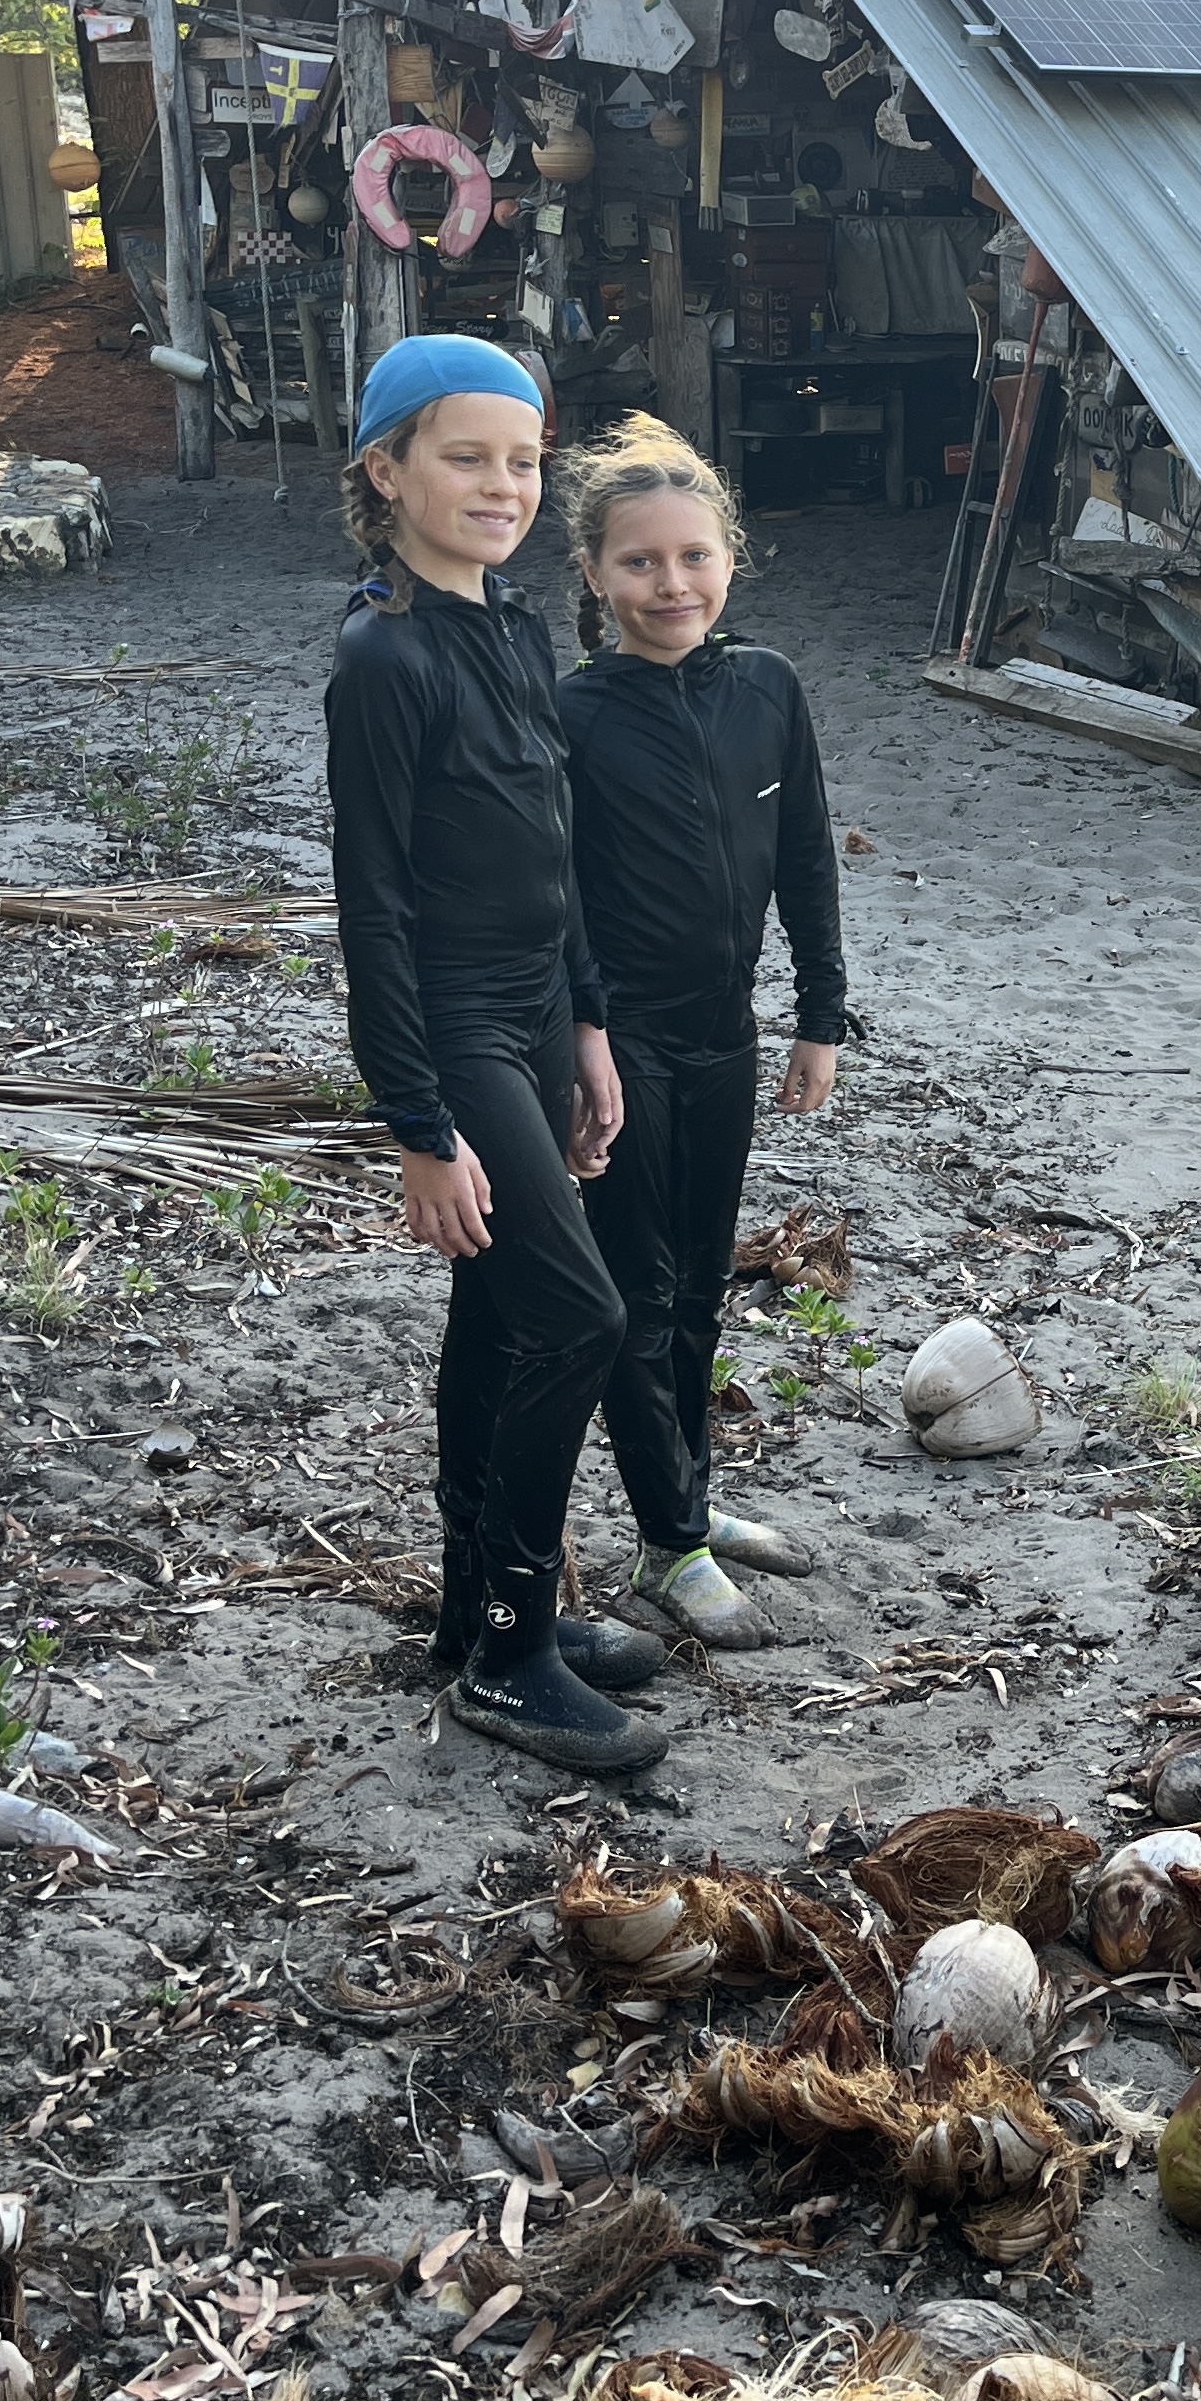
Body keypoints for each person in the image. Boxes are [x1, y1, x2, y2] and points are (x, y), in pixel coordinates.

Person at [324, 334, 666, 1778]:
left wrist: (587, 1025)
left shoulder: (517, 628)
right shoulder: (383, 660)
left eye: (523, 460)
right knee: (578, 1317)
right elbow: (375, 911)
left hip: (533, 1018)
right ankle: (516, 1653)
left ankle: (475, 1613)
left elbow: (555, 850)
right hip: (455, 1033)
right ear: (386, 470)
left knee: (497, 1311)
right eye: (467, 456)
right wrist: (416, 1121)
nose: (501, 484)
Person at [558, 415, 848, 1647]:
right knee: (639, 1295)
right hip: (620, 1051)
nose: (670, 584)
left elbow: (805, 856)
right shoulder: (570, 712)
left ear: (731, 558)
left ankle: (691, 1505)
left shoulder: (768, 688)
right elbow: (555, 896)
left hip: (724, 1036)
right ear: (593, 576)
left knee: (702, 1288)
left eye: (693, 557)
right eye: (639, 562)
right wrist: (581, 1039)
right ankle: (669, 1546)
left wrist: (818, 1017)